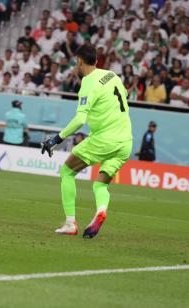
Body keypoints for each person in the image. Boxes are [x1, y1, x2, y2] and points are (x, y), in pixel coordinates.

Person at [41, 44, 132, 238]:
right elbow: (126, 95)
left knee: (67, 171)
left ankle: (70, 223)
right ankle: (100, 211)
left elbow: (80, 120)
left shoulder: (88, 84)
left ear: (79, 60)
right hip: (126, 141)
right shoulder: (112, 76)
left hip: (105, 139)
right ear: (96, 60)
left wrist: (56, 139)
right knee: (100, 184)